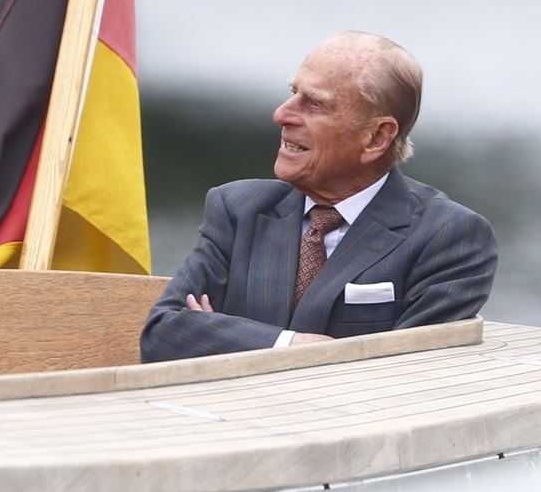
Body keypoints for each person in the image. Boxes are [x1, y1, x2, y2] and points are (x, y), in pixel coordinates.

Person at [141, 31, 498, 362]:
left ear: (376, 137)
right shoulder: (238, 208)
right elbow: (163, 335)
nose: (281, 114)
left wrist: (220, 332)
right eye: (292, 92)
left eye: (314, 104)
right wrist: (296, 344)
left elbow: (397, 379)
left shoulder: (450, 237)